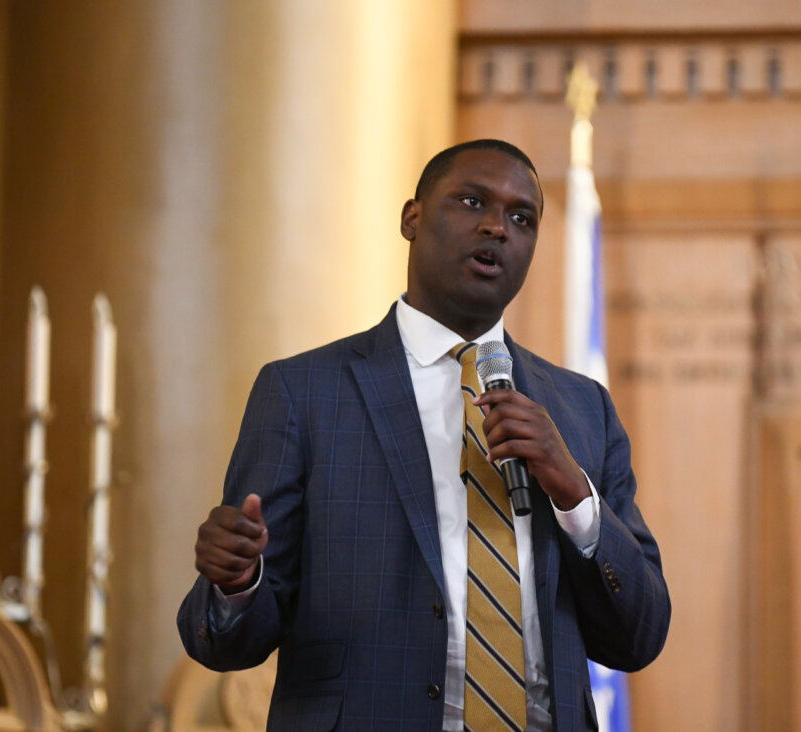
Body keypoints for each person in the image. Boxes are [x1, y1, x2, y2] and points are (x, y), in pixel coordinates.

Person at [177, 139, 669, 731]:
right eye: (472, 202)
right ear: (412, 218)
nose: (497, 228)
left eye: (521, 218)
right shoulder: (302, 393)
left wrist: (575, 497)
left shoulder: (582, 408)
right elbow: (227, 644)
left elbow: (639, 637)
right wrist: (236, 584)